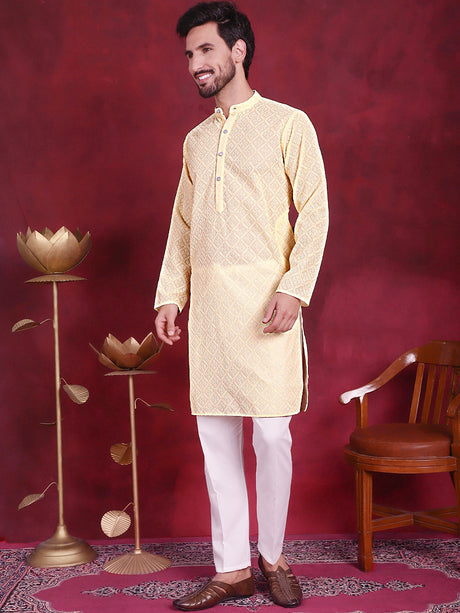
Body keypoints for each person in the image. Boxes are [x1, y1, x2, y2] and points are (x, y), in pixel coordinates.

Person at [154, 2, 328, 609]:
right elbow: (182, 226)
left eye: (205, 50)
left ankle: (273, 556)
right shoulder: (196, 141)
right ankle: (230, 569)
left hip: (268, 306)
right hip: (211, 313)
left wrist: (295, 288)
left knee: (273, 437)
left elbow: (315, 212)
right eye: (189, 55)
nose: (194, 64)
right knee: (216, 442)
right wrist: (171, 295)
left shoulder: (287, 124)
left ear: (238, 50)